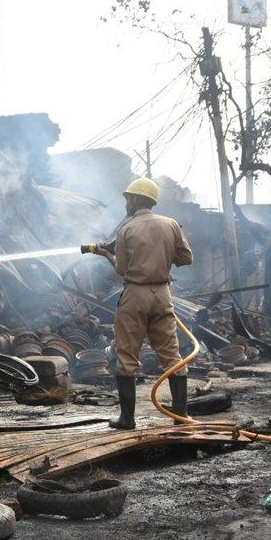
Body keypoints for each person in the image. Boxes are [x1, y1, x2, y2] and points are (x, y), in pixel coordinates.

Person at [94, 178, 193, 429]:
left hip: (135, 295)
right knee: (172, 354)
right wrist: (163, 255)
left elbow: (122, 268)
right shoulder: (171, 224)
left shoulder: (126, 229)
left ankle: (127, 419)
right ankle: (180, 417)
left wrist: (107, 252)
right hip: (162, 294)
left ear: (137, 200)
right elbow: (186, 257)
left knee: (126, 355)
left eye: (129, 198)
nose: (126, 202)